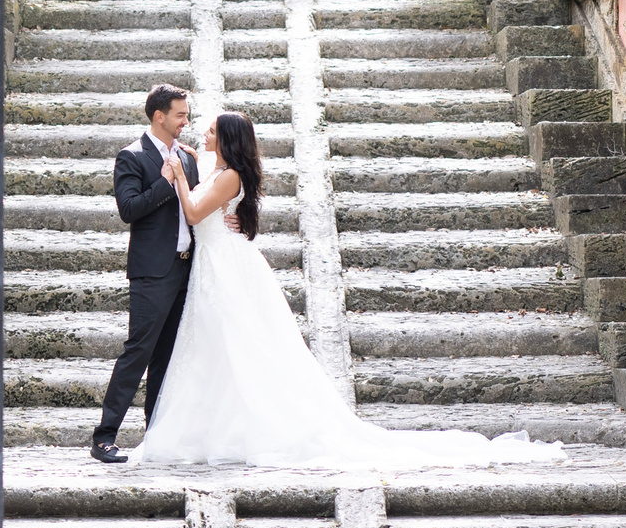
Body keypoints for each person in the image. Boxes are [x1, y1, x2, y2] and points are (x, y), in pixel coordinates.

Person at [135, 110, 561, 470]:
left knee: (236, 346)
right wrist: (190, 162)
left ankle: (251, 428)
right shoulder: (218, 169)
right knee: (214, 349)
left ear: (227, 138)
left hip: (225, 267)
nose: (203, 133)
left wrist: (178, 177)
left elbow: (194, 213)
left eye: (211, 130)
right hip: (213, 265)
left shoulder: (229, 177)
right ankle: (213, 428)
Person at [89, 84, 198, 464]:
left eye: (186, 115)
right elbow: (129, 209)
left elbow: (196, 205)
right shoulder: (131, 156)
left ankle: (155, 437)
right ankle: (104, 437)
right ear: (159, 116)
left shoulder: (187, 157)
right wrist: (165, 182)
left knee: (166, 358)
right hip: (152, 271)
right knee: (138, 352)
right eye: (180, 115)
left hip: (187, 268)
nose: (185, 122)